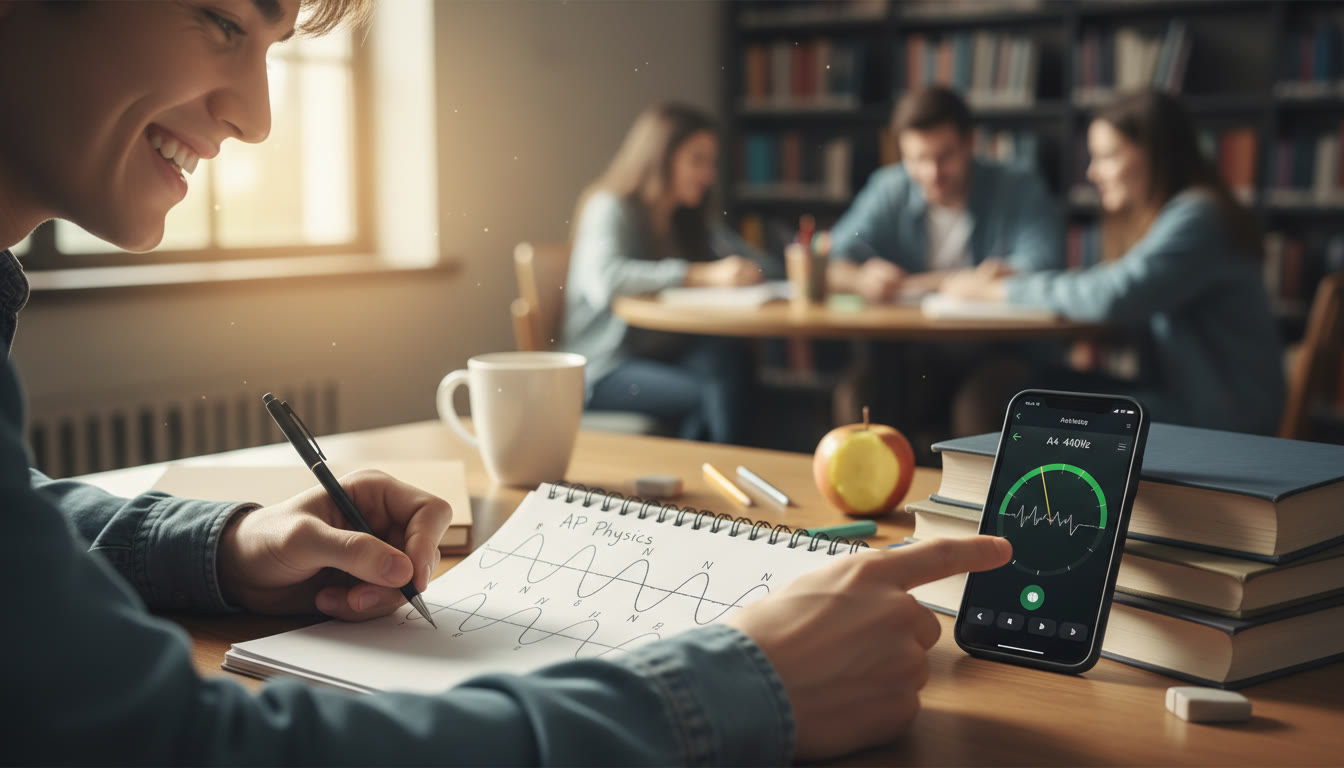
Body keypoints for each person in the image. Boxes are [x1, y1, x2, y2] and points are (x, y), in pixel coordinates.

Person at [0, 2, 1013, 764]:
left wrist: (223, 543)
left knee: (710, 367)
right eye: (225, 19)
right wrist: (723, 691)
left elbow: (21, 520)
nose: (260, 117)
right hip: (627, 371)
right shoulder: (622, 207)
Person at [942, 90, 1285, 435]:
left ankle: (995, 488)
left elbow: (1114, 294)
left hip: (1220, 419)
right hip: (1195, 401)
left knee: (997, 394)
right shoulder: (1187, 213)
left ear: (1156, 154)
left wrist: (1002, 290)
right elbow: (1117, 286)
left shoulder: (1200, 216)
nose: (1092, 173)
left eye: (1107, 156)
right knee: (1005, 380)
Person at [561, 103, 777, 445]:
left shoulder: (687, 220)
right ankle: (709, 481)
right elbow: (607, 280)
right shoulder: (609, 207)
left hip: (661, 356)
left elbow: (759, 261)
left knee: (731, 361)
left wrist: (758, 268)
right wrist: (702, 275)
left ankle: (733, 469)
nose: (708, 176)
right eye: (697, 160)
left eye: (711, 163)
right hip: (605, 369)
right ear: (660, 157)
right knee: (709, 395)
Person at [827, 86, 1064, 303]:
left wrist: (908, 284)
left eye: (945, 156)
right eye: (918, 159)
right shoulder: (889, 188)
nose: (932, 172)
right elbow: (831, 256)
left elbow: (1044, 264)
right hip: (909, 342)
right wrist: (859, 278)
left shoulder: (1018, 187)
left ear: (970, 143)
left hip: (1001, 343)